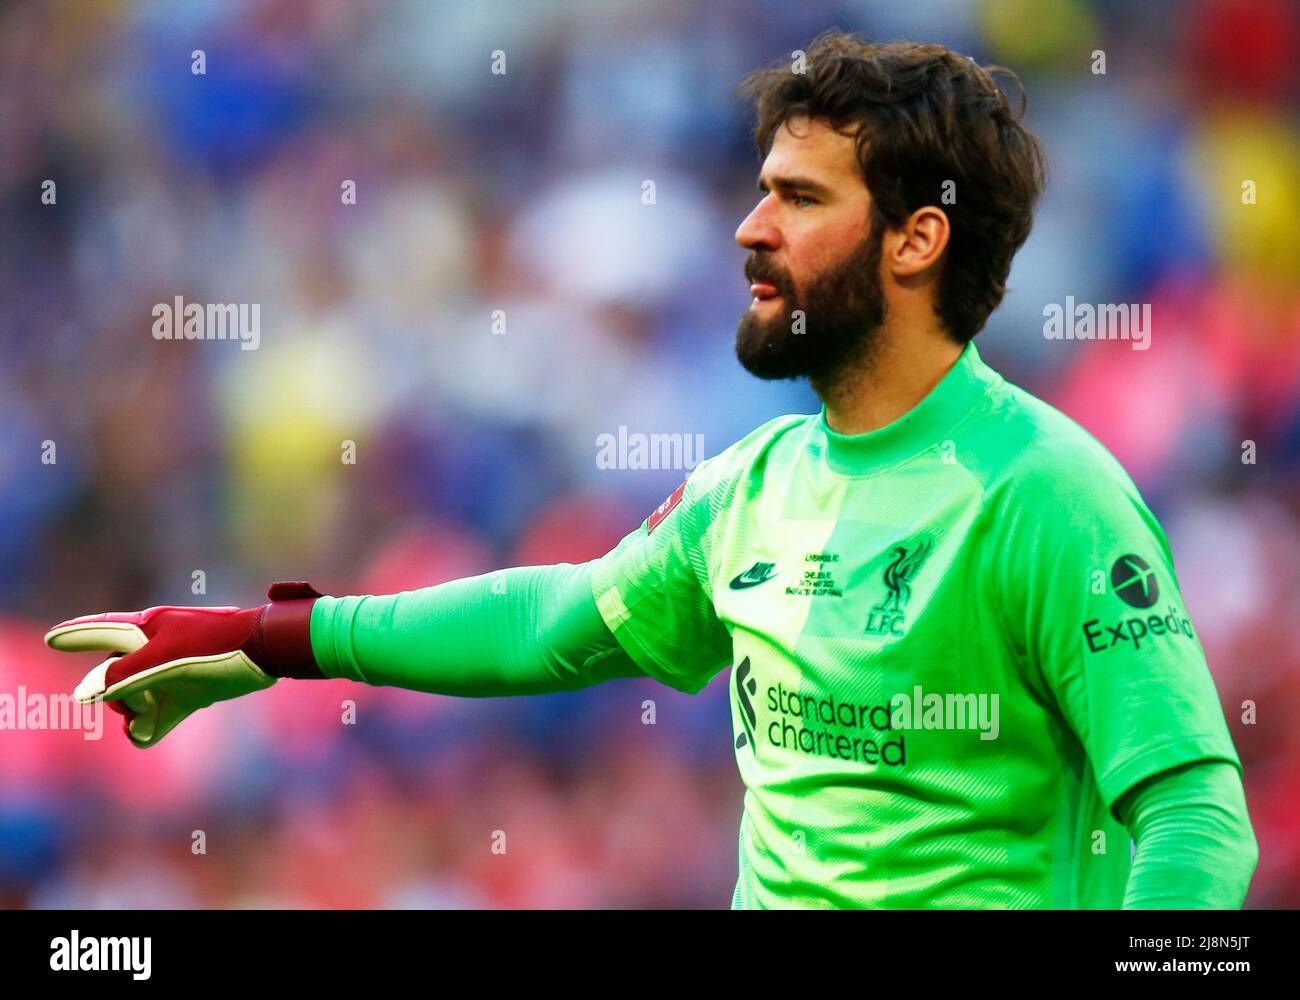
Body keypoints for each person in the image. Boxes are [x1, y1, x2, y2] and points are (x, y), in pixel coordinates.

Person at [46, 31, 1256, 909]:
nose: (750, 227)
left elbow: (1197, 822)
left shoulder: (1047, 492)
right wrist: (273, 638)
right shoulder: (757, 482)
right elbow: (555, 621)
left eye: (797, 197)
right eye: (758, 191)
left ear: (915, 238)